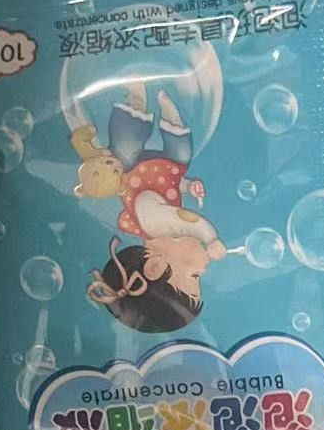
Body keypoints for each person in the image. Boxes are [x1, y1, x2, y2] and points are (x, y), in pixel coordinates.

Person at [80, 83, 228, 333]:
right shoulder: (164, 227)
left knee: (125, 146)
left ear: (154, 267)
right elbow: (168, 187)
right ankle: (172, 120)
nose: (204, 269)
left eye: (195, 277)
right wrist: (187, 186)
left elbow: (188, 221)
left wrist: (211, 239)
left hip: (132, 170)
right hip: (163, 174)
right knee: (181, 156)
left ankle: (135, 101)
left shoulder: (155, 222)